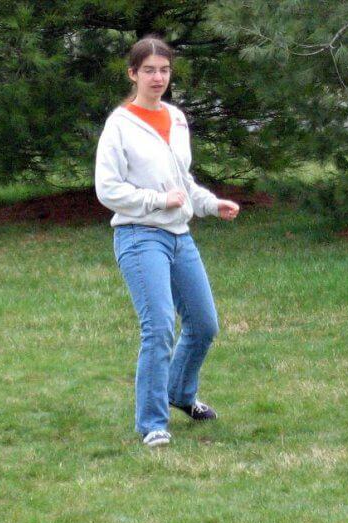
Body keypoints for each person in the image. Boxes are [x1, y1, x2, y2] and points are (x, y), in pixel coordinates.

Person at [94, 36, 241, 448]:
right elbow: (106, 189)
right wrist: (157, 201)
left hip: (180, 235)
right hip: (139, 236)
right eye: (149, 70)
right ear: (132, 74)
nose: (157, 78)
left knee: (204, 324)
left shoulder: (176, 118)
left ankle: (180, 393)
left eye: (164, 70)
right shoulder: (120, 125)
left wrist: (212, 205)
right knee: (158, 327)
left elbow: (183, 182)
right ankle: (152, 423)